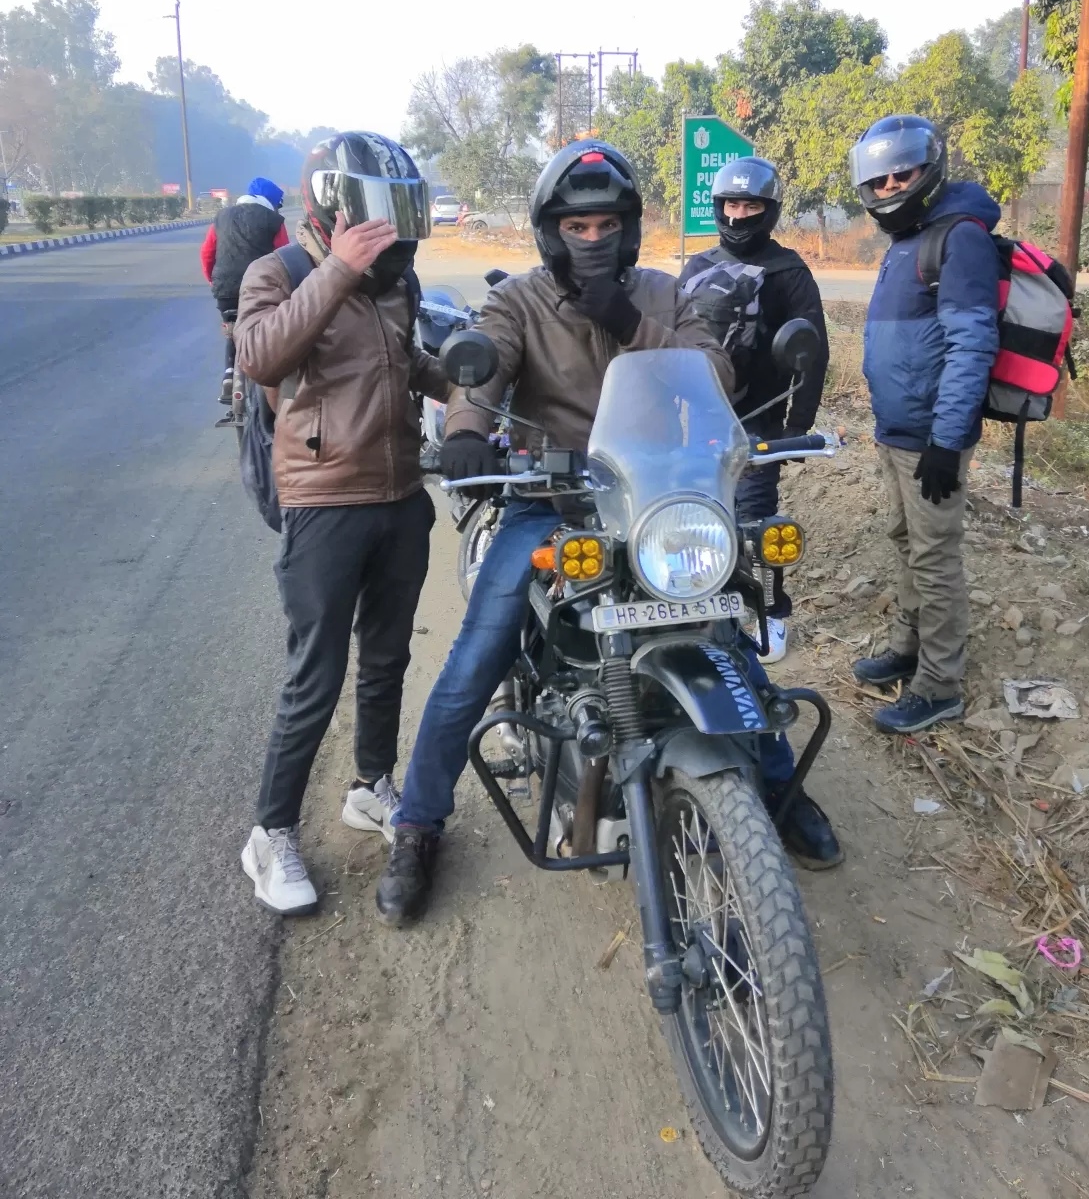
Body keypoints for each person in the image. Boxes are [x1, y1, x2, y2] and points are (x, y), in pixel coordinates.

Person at [376, 139, 841, 928]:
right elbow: (482, 371)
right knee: (475, 656)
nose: (592, 237)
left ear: (629, 228)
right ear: (551, 229)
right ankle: (418, 823)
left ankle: (775, 784)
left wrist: (627, 322)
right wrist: (464, 427)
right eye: (576, 224)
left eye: (607, 223)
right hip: (550, 500)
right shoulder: (519, 301)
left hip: (661, 498)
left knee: (726, 632)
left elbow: (714, 370)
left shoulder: (664, 292)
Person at [233, 132, 448, 915]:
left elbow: (405, 363)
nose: (393, 229)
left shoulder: (400, 283)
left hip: (400, 497)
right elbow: (259, 354)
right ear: (333, 208)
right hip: (323, 502)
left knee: (386, 659)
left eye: (402, 212)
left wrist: (466, 378)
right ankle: (272, 834)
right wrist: (337, 271)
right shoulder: (280, 272)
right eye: (378, 213)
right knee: (314, 675)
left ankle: (370, 787)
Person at [848, 115, 1000, 735]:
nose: (889, 187)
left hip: (932, 438)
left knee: (936, 558)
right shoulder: (909, 237)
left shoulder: (958, 237)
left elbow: (971, 343)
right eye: (878, 179)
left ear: (928, 170)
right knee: (906, 541)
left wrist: (946, 438)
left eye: (900, 174)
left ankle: (939, 685)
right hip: (898, 430)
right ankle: (907, 648)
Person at [679, 157, 830, 665]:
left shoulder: (789, 271)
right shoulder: (697, 267)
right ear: (717, 207)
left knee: (756, 521)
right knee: (698, 517)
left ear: (769, 210)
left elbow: (813, 350)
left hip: (761, 418)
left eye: (751, 205)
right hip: (699, 418)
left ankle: (772, 612)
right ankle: (705, 606)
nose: (739, 214)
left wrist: (798, 425)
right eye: (730, 204)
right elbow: (669, 345)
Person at [200, 177, 289, 418]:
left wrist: (215, 283)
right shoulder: (274, 220)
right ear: (272, 202)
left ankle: (229, 374)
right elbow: (284, 256)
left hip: (226, 289)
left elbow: (207, 253)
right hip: (261, 288)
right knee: (270, 333)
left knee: (233, 329)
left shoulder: (222, 217)